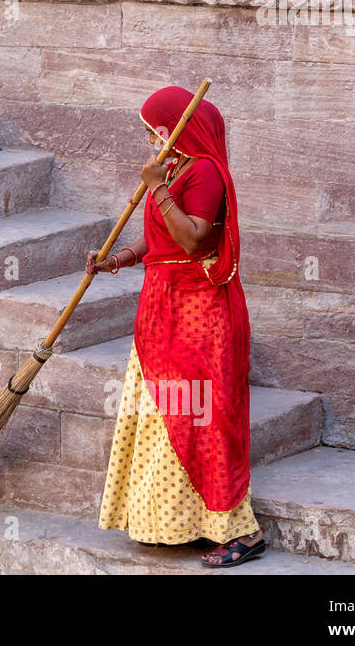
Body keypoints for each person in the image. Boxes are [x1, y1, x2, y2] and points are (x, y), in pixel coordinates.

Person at [86, 86, 263, 568]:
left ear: (176, 129)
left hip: (198, 312)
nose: (148, 136)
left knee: (201, 416)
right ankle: (185, 523)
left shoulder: (203, 172)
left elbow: (193, 238)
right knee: (166, 415)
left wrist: (157, 187)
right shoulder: (177, 167)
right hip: (161, 306)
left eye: (153, 128)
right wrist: (117, 260)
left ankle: (241, 533)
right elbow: (160, 236)